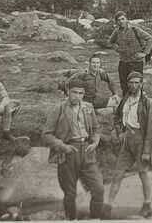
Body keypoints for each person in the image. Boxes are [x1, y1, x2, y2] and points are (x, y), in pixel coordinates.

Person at [41, 78, 106, 220]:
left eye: (81, 93)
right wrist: (62, 146)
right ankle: (71, 219)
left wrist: (95, 142)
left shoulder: (88, 107)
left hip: (87, 151)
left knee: (99, 189)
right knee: (70, 193)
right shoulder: (58, 108)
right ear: (67, 92)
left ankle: (95, 218)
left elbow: (96, 129)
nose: (77, 96)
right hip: (68, 152)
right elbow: (46, 135)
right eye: (74, 92)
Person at [106, 71, 152, 219]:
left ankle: (147, 204)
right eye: (131, 82)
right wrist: (119, 131)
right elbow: (117, 117)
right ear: (127, 84)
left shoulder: (148, 103)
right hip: (127, 141)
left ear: (141, 84)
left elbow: (151, 129)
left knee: (143, 173)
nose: (133, 85)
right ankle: (108, 206)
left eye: (137, 82)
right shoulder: (125, 100)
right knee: (118, 173)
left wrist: (146, 150)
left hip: (141, 141)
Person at [107, 11, 152, 92]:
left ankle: (138, 102)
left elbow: (150, 38)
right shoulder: (117, 31)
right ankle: (126, 103)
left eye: (123, 19)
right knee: (124, 85)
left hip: (136, 62)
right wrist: (116, 48)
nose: (121, 21)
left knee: (136, 85)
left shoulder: (135, 29)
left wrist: (145, 53)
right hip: (123, 62)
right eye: (119, 20)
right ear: (116, 22)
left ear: (126, 19)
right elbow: (110, 42)